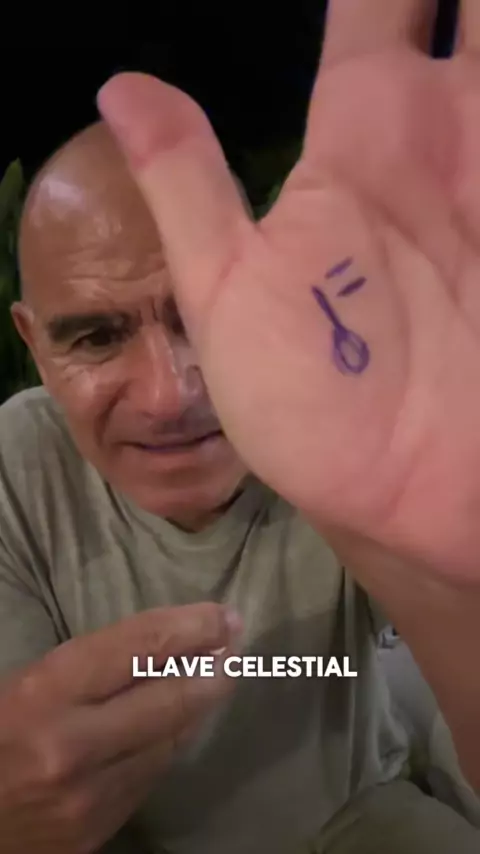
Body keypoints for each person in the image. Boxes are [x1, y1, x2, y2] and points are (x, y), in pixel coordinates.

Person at [2, 2, 480, 852]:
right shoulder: (15, 469)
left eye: (196, 315)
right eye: (97, 337)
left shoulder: (331, 417)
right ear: (34, 347)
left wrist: (459, 571)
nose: (167, 395)